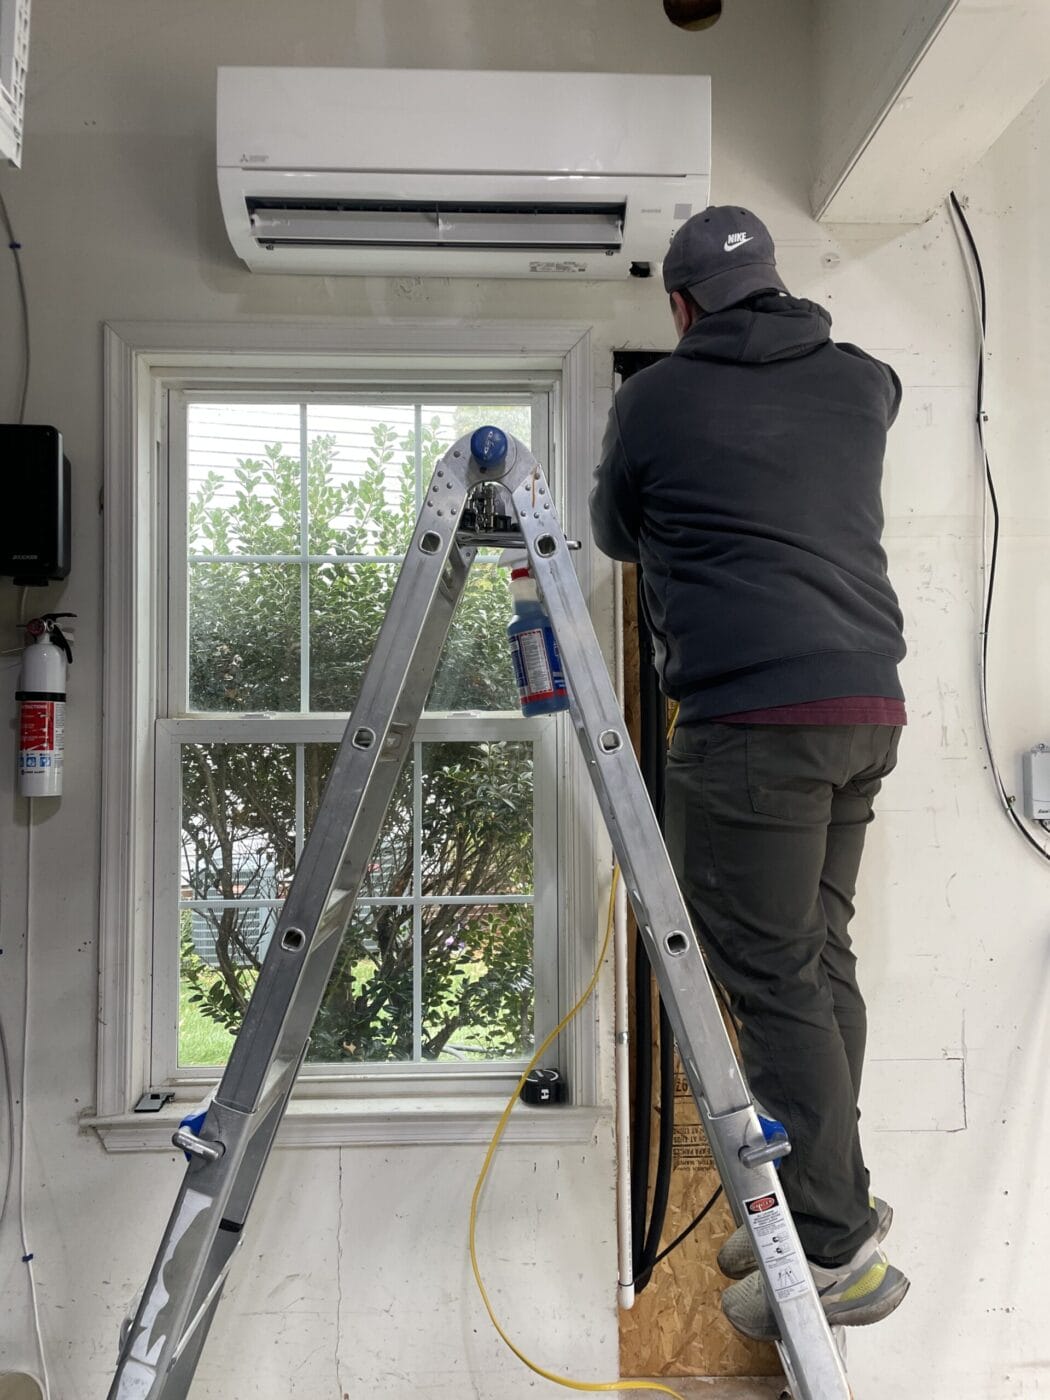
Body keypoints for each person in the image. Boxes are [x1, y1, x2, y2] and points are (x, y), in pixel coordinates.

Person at [589, 206, 910, 1341]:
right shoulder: (861, 379)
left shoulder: (656, 400)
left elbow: (617, 532)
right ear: (774, 284)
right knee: (816, 959)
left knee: (774, 978)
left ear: (680, 307)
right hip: (867, 706)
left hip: (753, 720)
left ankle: (831, 1247)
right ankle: (832, 1193)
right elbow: (871, 399)